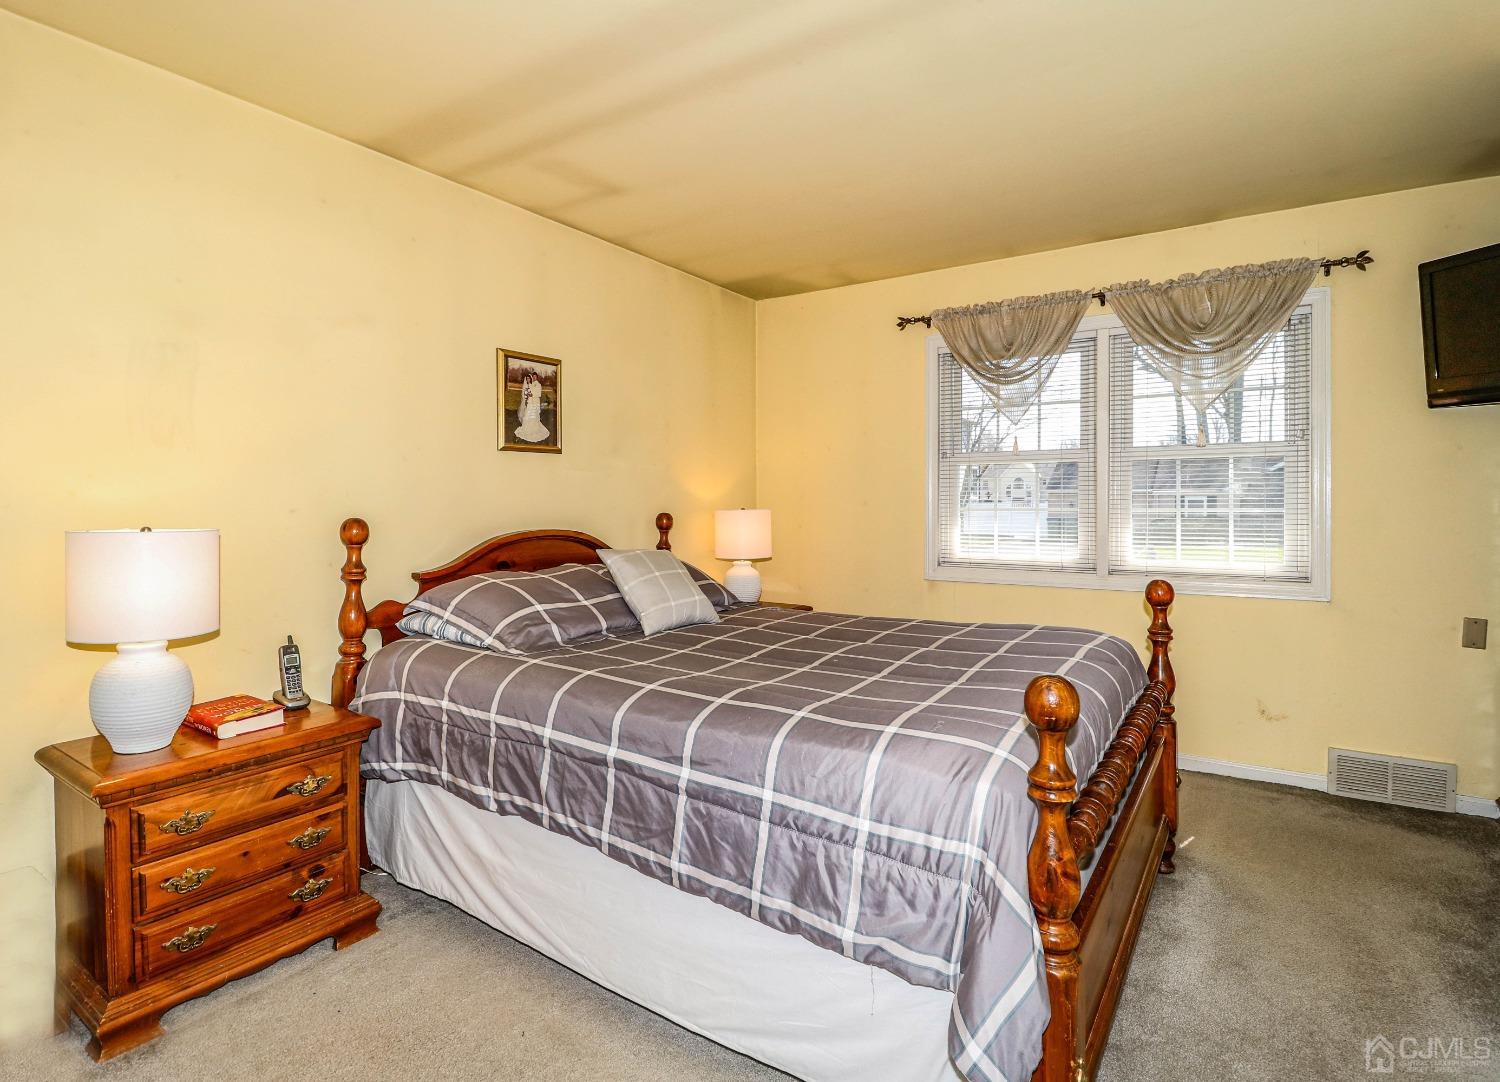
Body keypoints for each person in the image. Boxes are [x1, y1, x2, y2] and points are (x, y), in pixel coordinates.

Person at [514, 370, 550, 443]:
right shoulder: (530, 384)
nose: (534, 378)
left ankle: (534, 428)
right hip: (530, 402)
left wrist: (532, 395)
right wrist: (527, 396)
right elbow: (527, 391)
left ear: (537, 377)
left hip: (535, 403)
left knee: (534, 416)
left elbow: (539, 394)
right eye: (533, 377)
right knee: (528, 415)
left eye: (535, 377)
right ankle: (527, 428)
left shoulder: (538, 385)